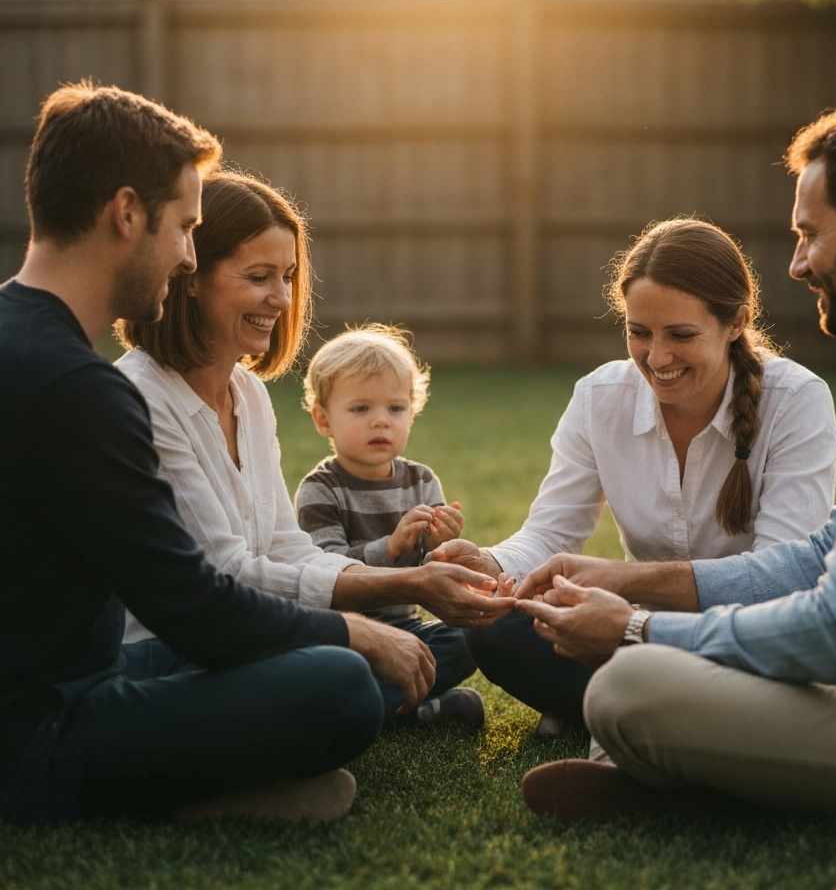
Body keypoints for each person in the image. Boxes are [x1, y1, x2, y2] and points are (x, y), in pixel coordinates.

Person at [0, 83, 506, 825]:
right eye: (183, 228)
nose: (182, 255)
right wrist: (354, 626)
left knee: (355, 661)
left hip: (88, 670)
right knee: (334, 683)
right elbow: (198, 606)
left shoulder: (29, 346)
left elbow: (253, 566)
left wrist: (394, 597)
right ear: (126, 213)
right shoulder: (84, 389)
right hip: (38, 730)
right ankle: (183, 800)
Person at [513, 98, 836, 825]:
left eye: (811, 235)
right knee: (633, 673)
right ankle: (697, 773)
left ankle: (708, 792)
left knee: (629, 689)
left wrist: (635, 628)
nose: (798, 262)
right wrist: (629, 585)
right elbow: (822, 552)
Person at [115, 182, 503, 727]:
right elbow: (225, 575)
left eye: (289, 277)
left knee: (381, 663)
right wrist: (403, 588)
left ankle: (356, 708)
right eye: (258, 277)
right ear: (191, 277)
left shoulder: (247, 395)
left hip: (248, 635)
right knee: (338, 677)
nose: (282, 298)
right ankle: (364, 710)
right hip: (161, 654)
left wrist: (423, 585)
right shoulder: (139, 398)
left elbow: (285, 547)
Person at [436, 219, 836, 732]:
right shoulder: (599, 397)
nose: (657, 357)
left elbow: (781, 580)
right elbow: (552, 532)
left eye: (681, 335)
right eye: (638, 332)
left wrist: (626, 583)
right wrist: (489, 564)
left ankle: (613, 708)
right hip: (629, 638)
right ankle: (646, 711)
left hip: (738, 643)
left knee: (772, 667)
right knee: (497, 630)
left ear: (736, 322)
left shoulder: (797, 400)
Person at [296, 324, 486, 727]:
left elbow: (429, 568)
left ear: (411, 413)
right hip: (348, 635)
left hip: (408, 626)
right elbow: (323, 566)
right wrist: (392, 545)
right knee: (329, 672)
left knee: (470, 638)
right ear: (323, 419)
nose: (381, 422)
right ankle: (399, 712)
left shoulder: (421, 481)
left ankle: (390, 710)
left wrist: (441, 543)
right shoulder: (320, 489)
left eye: (395, 409)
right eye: (361, 409)